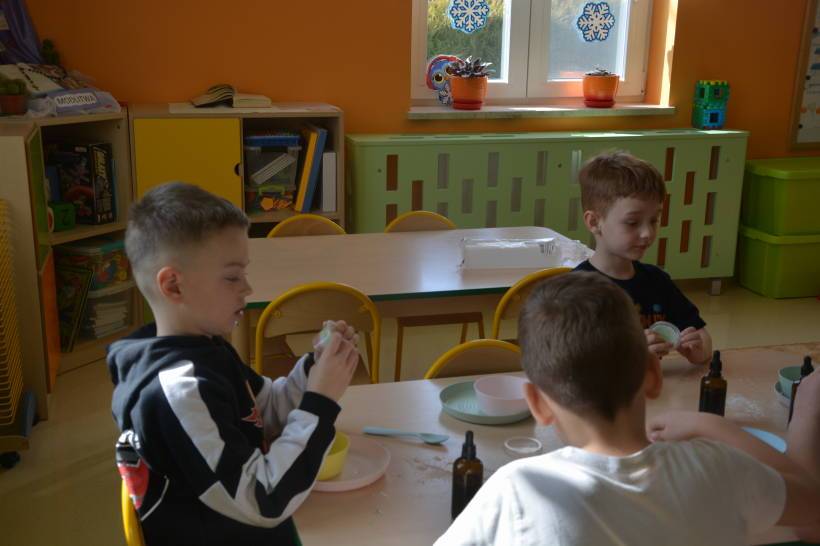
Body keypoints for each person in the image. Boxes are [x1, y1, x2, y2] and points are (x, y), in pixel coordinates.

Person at [436, 272, 820, 545]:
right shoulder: (720, 468)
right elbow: (811, 503)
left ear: (537, 404)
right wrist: (718, 424)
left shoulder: (518, 490)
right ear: (653, 375)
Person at [109, 182, 359, 545]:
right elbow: (265, 499)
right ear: (174, 286)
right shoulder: (180, 392)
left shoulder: (207, 348)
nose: (247, 288)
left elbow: (266, 409)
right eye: (231, 277)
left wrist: (315, 369)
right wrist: (320, 401)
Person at [575, 150, 711, 364]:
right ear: (594, 222)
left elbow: (701, 335)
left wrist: (698, 350)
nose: (647, 233)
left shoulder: (657, 282)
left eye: (654, 220)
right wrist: (630, 355)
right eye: (632, 222)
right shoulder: (576, 290)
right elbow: (570, 362)